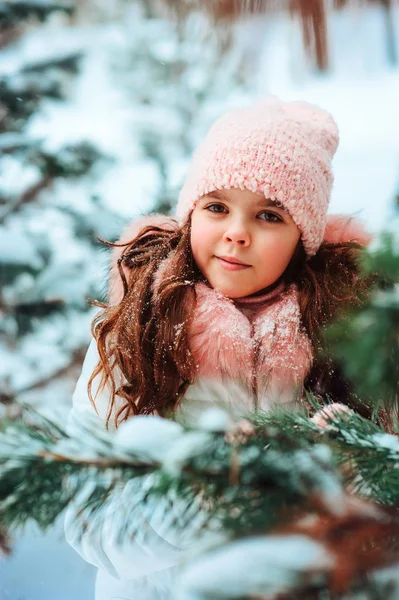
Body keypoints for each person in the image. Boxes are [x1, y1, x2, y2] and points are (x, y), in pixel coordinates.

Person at [65, 97, 371, 600]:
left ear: (304, 238)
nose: (236, 233)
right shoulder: (134, 333)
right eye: (216, 206)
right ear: (189, 215)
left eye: (269, 215)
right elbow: (86, 514)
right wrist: (206, 504)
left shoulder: (344, 339)